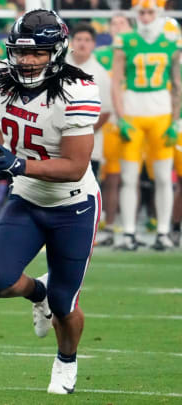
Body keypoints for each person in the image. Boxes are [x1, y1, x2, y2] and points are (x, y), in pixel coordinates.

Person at [0, 9, 101, 395]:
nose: (27, 61)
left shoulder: (77, 90)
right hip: (27, 198)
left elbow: (76, 166)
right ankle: (38, 292)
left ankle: (66, 361)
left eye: (38, 53)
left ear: (57, 51)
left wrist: (21, 164)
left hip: (74, 205)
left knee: (65, 304)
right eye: (21, 53)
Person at [111, 0, 181, 251]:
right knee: (128, 178)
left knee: (163, 177)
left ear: (159, 12)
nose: (146, 17)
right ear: (136, 14)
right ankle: (129, 232)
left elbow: (177, 82)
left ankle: (163, 233)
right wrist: (120, 118)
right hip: (132, 113)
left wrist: (175, 119)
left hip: (161, 114)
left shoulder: (172, 39)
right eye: (142, 12)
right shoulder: (126, 41)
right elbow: (116, 82)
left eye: (150, 11)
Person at [93, 13, 132, 246]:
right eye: (114, 23)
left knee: (121, 178)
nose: (118, 27)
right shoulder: (99, 56)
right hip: (102, 120)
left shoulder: (136, 53)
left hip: (125, 120)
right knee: (97, 176)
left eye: (122, 23)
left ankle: (117, 226)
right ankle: (99, 225)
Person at [65, 23, 111, 178]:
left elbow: (105, 112)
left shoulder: (100, 73)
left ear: (93, 44)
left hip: (89, 146)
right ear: (72, 41)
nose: (82, 43)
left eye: (87, 40)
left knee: (87, 191)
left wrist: (83, 135)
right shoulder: (58, 66)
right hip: (55, 141)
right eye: (78, 39)